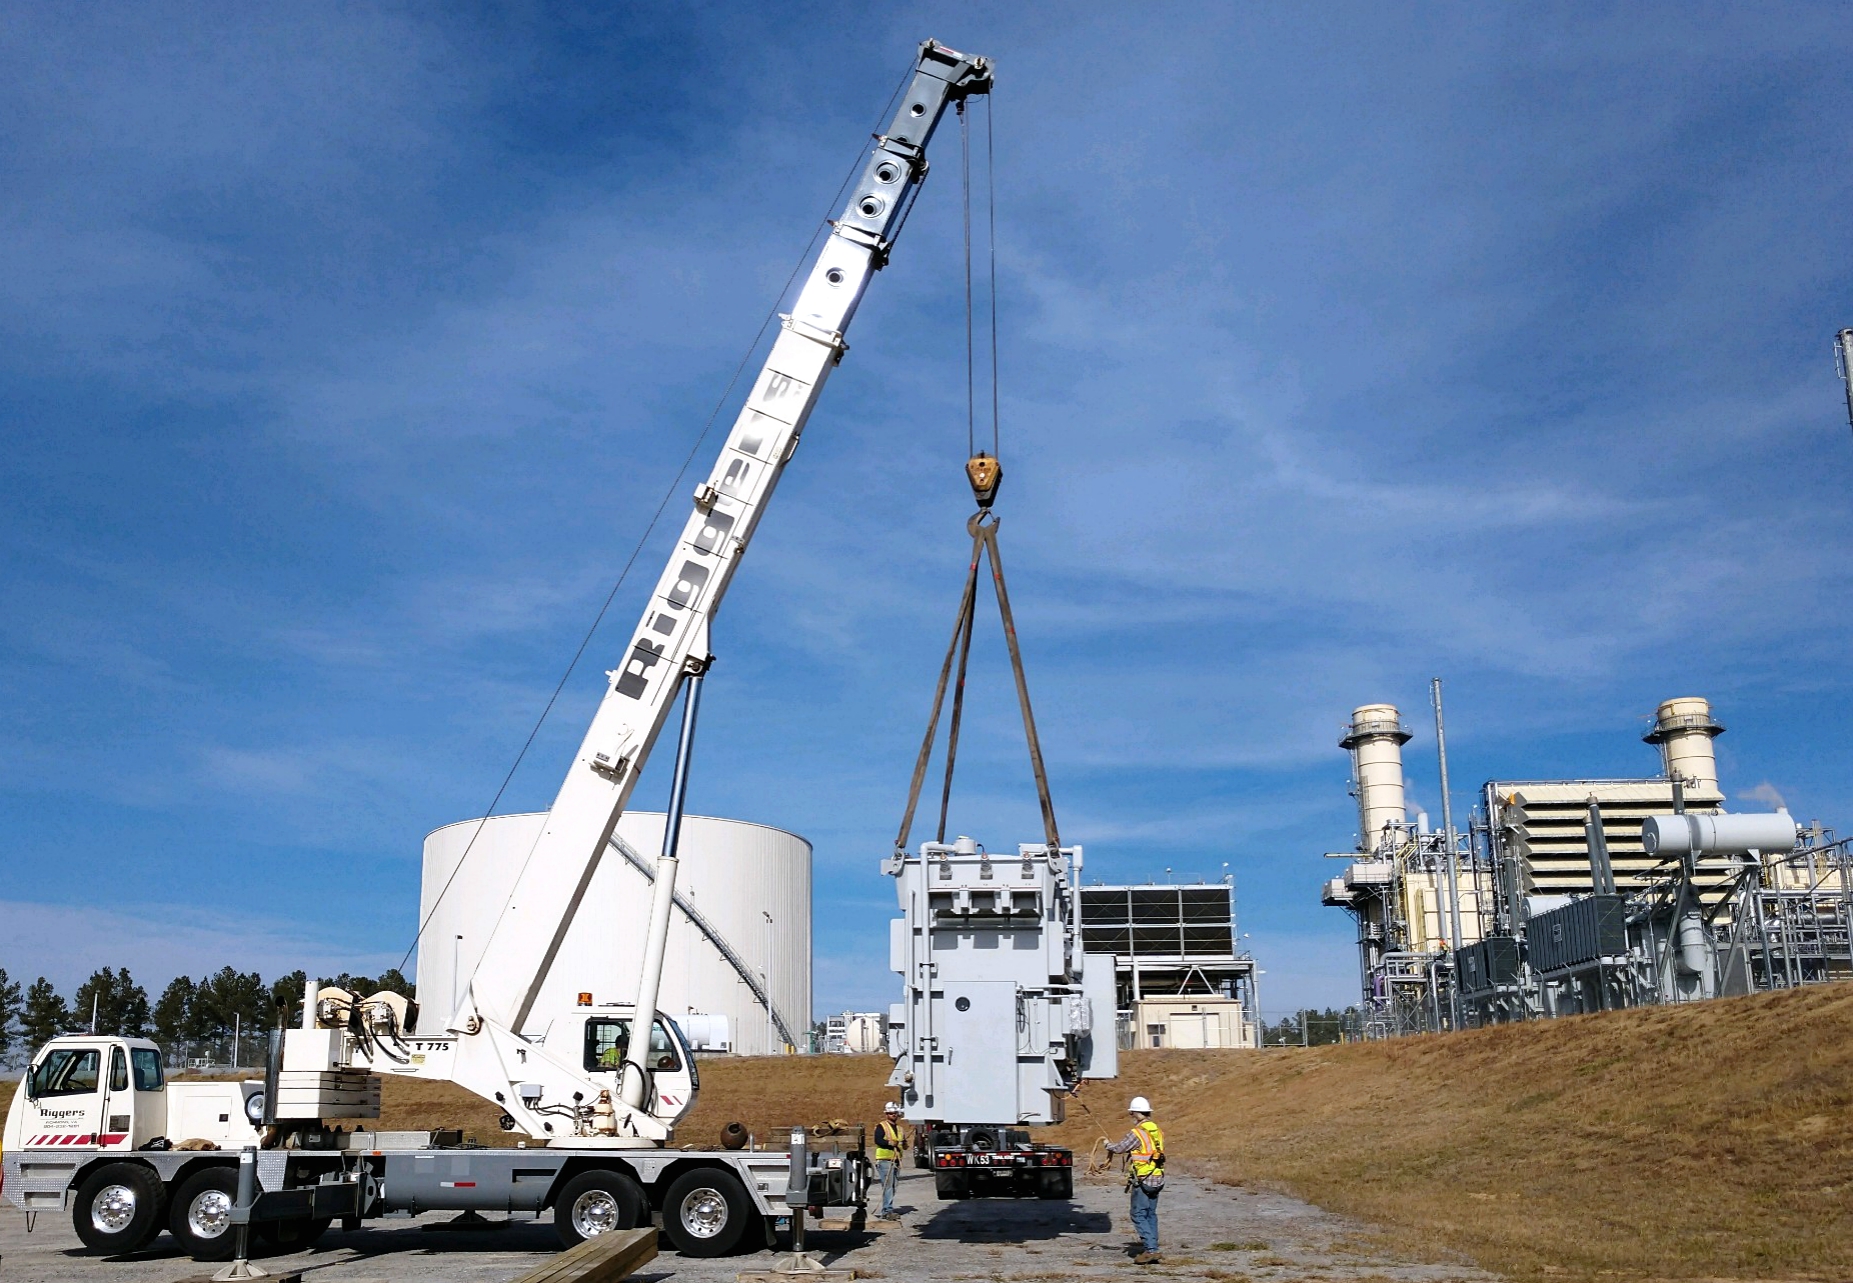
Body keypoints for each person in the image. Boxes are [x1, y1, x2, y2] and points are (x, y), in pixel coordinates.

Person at [1104, 1095, 1165, 1264]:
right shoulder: (1157, 1130)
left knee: (1138, 1214)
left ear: (1135, 1113)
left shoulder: (1137, 1133)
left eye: (1131, 1113)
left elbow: (1120, 1148)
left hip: (1143, 1178)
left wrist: (1107, 1145)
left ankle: (1151, 1249)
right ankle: (1153, 1247)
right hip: (1158, 1177)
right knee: (1150, 1213)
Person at [872, 1102, 906, 1220]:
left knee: (893, 1185)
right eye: (891, 1113)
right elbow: (878, 1140)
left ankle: (888, 1208)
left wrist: (904, 1144)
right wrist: (890, 1143)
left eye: (895, 1113)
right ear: (886, 1114)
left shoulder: (900, 1129)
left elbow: (903, 1143)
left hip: (896, 1160)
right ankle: (887, 1211)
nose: (893, 1115)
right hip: (884, 1160)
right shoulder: (882, 1126)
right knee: (888, 1186)